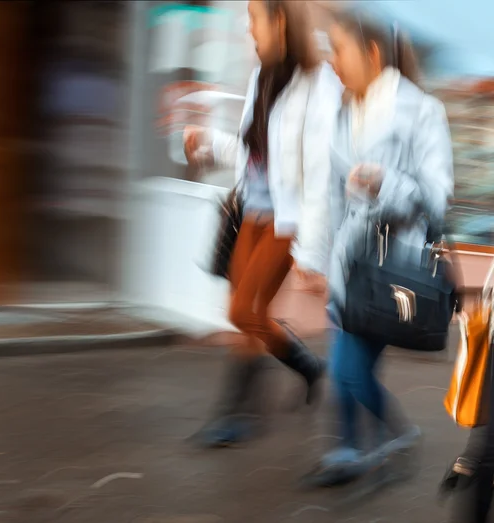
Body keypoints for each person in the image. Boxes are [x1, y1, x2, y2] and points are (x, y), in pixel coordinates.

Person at [183, 0, 342, 448]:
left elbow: (319, 175)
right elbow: (251, 150)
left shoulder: (318, 85)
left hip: (286, 219)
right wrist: (211, 143)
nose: (248, 27)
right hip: (251, 210)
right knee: (240, 313)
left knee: (249, 310)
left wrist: (311, 254)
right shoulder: (261, 76)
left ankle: (237, 414)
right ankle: (308, 366)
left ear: (279, 21)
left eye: (254, 18)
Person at [320, 13, 454, 471]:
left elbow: (436, 198)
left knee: (346, 369)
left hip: (392, 267)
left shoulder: (422, 111)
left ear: (372, 54)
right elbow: (332, 196)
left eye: (339, 49)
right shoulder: (342, 112)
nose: (331, 60)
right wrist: (319, 259)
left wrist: (384, 184)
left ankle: (389, 436)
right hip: (348, 264)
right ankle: (352, 447)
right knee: (347, 368)